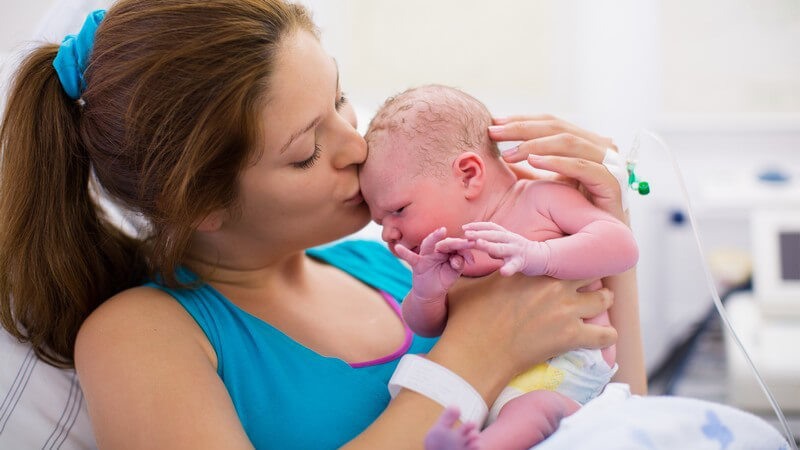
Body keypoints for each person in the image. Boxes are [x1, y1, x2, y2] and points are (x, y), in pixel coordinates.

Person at [0, 1, 643, 448]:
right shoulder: (139, 338)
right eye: (307, 150)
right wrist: (476, 353)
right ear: (200, 203)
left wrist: (599, 223)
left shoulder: (402, 264)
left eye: (338, 97)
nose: (358, 145)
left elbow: (618, 422)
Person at [360, 85, 639, 449]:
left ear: (469, 175)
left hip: (565, 374)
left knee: (534, 410)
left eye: (397, 210)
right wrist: (427, 291)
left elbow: (622, 246)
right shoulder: (447, 254)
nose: (389, 234)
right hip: (492, 382)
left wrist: (540, 255)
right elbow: (426, 324)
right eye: (380, 221)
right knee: (413, 377)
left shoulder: (540, 200)